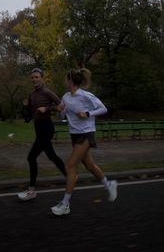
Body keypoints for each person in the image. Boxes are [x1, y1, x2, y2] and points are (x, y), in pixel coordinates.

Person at [51, 68, 118, 216]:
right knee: (90, 165)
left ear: (71, 81)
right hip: (75, 135)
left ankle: (65, 204)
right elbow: (61, 115)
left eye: (65, 79)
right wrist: (59, 109)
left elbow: (103, 109)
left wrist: (87, 113)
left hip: (86, 134)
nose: (64, 81)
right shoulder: (65, 96)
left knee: (70, 166)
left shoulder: (85, 95)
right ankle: (109, 184)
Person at [18, 68, 67, 201]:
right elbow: (28, 118)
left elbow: (62, 106)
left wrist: (47, 108)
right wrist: (24, 107)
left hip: (47, 127)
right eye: (32, 77)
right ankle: (70, 176)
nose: (34, 79)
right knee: (51, 156)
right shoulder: (32, 95)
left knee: (31, 157)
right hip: (38, 128)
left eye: (37, 77)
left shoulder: (47, 92)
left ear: (42, 78)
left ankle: (32, 190)